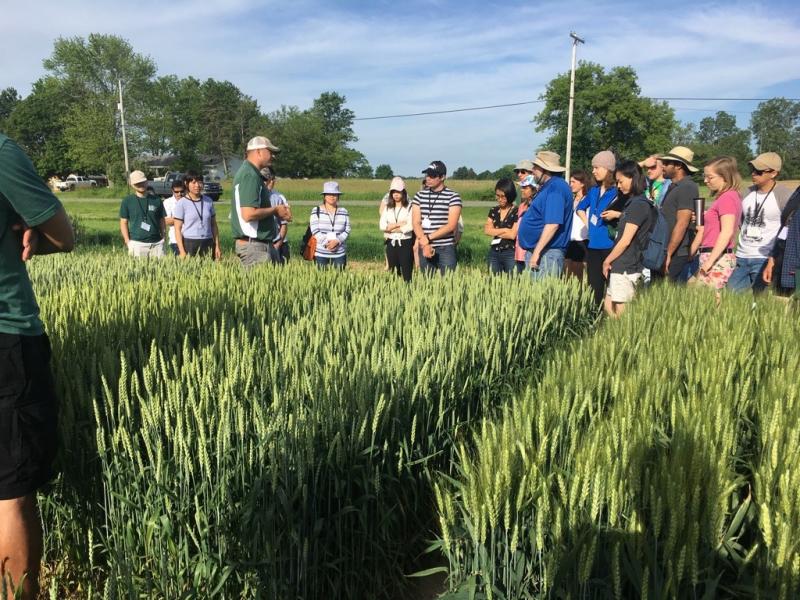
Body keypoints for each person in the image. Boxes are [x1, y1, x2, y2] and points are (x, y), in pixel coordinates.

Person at [0, 133, 74, 600]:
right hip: (6, 337)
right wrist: (27, 230)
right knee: (10, 494)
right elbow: (63, 236)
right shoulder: (2, 151)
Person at [728, 152, 793, 292]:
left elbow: (788, 227)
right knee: (731, 298)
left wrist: (775, 257)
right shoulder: (747, 193)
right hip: (741, 256)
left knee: (760, 303)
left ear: (773, 173)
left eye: (758, 171)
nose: (753, 174)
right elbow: (740, 221)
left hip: (765, 258)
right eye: (752, 170)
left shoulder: (784, 195)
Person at [601, 160, 654, 318]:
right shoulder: (633, 203)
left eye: (621, 181)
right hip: (622, 262)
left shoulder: (638, 205)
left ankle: (624, 337)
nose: (618, 185)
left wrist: (607, 260)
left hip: (627, 263)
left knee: (622, 311)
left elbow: (625, 240)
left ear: (633, 178)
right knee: (609, 305)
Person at [231, 136, 291, 266]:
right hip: (255, 247)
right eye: (270, 152)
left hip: (260, 245)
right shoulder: (249, 175)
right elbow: (248, 214)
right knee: (261, 286)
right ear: (258, 152)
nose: (273, 156)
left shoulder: (252, 174)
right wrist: (276, 210)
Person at [687, 157, 742, 293]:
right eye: (704, 176)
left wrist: (709, 262)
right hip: (713, 255)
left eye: (710, 177)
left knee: (708, 301)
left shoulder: (727, 198)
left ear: (725, 177)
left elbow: (727, 231)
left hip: (717, 257)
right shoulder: (726, 197)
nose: (705, 181)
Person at [517, 150, 573, 279]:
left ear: (545, 170)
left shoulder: (555, 189)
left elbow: (553, 224)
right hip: (542, 252)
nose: (533, 170)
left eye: (536, 167)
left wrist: (537, 253)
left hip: (546, 254)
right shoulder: (549, 187)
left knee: (542, 295)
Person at [576, 151, 618, 303]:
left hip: (610, 246)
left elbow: (627, 213)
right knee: (594, 288)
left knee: (612, 288)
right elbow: (579, 208)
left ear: (608, 169)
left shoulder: (617, 191)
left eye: (597, 167)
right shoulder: (593, 191)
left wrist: (616, 215)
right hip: (593, 246)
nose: (593, 171)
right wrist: (589, 225)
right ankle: (596, 318)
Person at [656, 146, 700, 282]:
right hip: (664, 250)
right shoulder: (674, 186)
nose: (663, 166)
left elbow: (682, 223)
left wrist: (668, 253)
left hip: (676, 253)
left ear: (679, 166)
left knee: (666, 295)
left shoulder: (687, 187)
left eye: (667, 163)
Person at [412, 160, 462, 275]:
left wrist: (428, 238)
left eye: (432, 175)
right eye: (427, 175)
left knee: (450, 283)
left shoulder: (453, 197)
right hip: (424, 246)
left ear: (443, 177)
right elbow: (416, 222)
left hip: (445, 247)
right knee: (427, 283)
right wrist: (425, 243)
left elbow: (451, 225)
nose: (428, 178)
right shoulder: (419, 196)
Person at [173, 171, 221, 259]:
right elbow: (177, 229)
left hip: (208, 241)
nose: (197, 185)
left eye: (199, 182)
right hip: (190, 243)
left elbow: (213, 225)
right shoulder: (182, 203)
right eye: (193, 182)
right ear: (186, 184)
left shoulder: (208, 201)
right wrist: (182, 251)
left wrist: (217, 246)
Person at [119, 170, 166, 258]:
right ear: (132, 185)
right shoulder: (127, 201)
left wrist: (163, 237)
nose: (141, 185)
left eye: (142, 182)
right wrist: (127, 241)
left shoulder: (156, 200)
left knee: (160, 270)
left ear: (146, 181)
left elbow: (161, 219)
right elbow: (123, 222)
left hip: (157, 243)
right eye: (137, 183)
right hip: (137, 243)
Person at [763, 184, 800, 295]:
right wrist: (772, 258)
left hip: (796, 267)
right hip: (785, 263)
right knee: (784, 307)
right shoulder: (797, 192)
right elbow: (785, 226)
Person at [379, 177, 414, 281]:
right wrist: (399, 224)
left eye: (398, 191)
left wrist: (391, 227)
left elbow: (410, 225)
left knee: (406, 271)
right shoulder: (387, 208)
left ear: (403, 192)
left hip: (405, 242)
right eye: (393, 192)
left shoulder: (409, 207)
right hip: (391, 242)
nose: (396, 194)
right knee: (393, 272)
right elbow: (382, 225)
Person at [310, 181, 350, 269]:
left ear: (338, 196)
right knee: (320, 280)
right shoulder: (316, 210)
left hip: (339, 253)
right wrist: (327, 244)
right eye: (329, 194)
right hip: (320, 253)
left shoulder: (344, 211)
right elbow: (315, 230)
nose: (332, 196)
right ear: (324, 196)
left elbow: (347, 230)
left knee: (340, 280)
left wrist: (337, 241)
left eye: (335, 194)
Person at [484, 178, 519, 275]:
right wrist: (505, 230)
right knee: (493, 282)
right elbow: (487, 230)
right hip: (494, 252)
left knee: (512, 282)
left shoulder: (517, 211)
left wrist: (495, 231)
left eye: (503, 196)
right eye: (498, 196)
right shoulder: (493, 210)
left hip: (510, 253)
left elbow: (512, 235)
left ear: (510, 195)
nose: (500, 199)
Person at [565, 170, 593, 281]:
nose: (570, 185)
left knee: (579, 275)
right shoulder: (572, 200)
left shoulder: (587, 200)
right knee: (567, 273)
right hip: (570, 241)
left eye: (573, 182)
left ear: (582, 183)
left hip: (582, 240)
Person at [260, 167, 291, 264]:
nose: (269, 182)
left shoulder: (277, 198)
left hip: (275, 242)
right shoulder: (250, 196)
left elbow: (286, 221)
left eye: (271, 179)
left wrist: (278, 244)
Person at [514, 176, 535, 273]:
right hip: (519, 250)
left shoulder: (537, 206)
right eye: (522, 187)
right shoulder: (522, 206)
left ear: (534, 190)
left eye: (525, 188)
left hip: (531, 250)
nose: (522, 190)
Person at [163, 179, 185, 255]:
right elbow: (167, 221)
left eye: (182, 191)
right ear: (172, 191)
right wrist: (185, 218)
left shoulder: (188, 200)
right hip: (175, 240)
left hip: (190, 239)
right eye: (176, 192)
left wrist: (175, 219)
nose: (179, 194)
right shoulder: (167, 202)